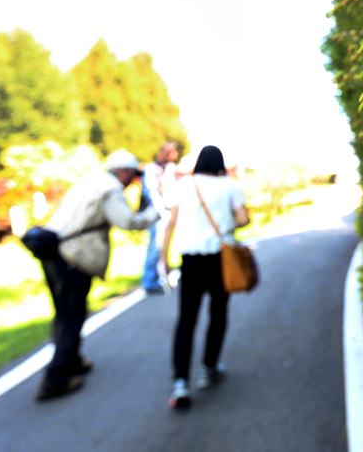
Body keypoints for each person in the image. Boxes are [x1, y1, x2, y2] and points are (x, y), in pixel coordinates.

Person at [36, 149, 159, 401]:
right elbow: (127, 222)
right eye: (132, 176)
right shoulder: (110, 189)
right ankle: (56, 379)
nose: (132, 182)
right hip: (74, 256)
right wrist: (153, 212)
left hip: (53, 252)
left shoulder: (90, 181)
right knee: (73, 315)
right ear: (122, 171)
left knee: (64, 312)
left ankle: (72, 360)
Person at [159, 145, 249, 409]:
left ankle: (180, 383)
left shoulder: (183, 186)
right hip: (219, 259)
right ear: (220, 164)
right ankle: (209, 368)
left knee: (186, 320)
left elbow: (170, 223)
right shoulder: (229, 186)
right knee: (218, 313)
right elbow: (243, 219)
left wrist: (163, 257)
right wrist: (227, 225)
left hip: (190, 261)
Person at [141, 141, 179, 294]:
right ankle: (150, 281)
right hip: (157, 212)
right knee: (155, 246)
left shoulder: (170, 168)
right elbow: (151, 192)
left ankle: (159, 276)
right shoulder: (151, 169)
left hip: (169, 211)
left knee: (164, 247)